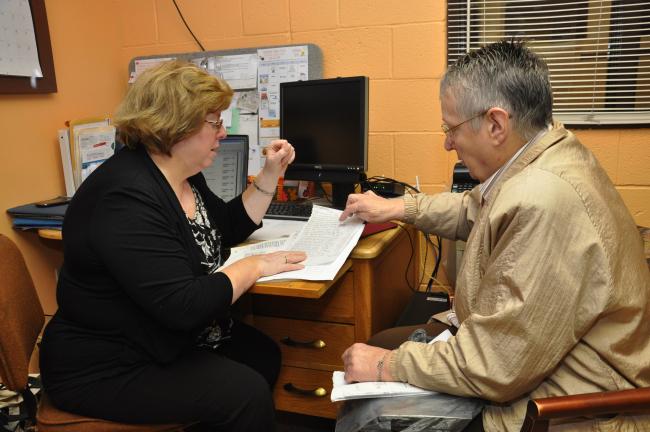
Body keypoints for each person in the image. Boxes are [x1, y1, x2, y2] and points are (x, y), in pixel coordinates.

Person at [340, 40, 650, 431]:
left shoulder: (542, 199)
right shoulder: (546, 153)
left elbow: (495, 367)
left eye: (451, 128)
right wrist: (398, 208)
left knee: (370, 404)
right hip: (539, 364)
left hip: (564, 405)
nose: (447, 142)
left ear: (496, 124)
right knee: (387, 339)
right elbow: (473, 209)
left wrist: (387, 366)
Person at [39, 60, 306, 431]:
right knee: (244, 392)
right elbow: (183, 306)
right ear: (176, 126)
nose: (222, 133)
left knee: (261, 355)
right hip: (106, 364)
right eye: (214, 123)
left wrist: (270, 174)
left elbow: (226, 227)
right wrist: (255, 266)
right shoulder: (124, 197)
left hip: (161, 339)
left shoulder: (181, 176)